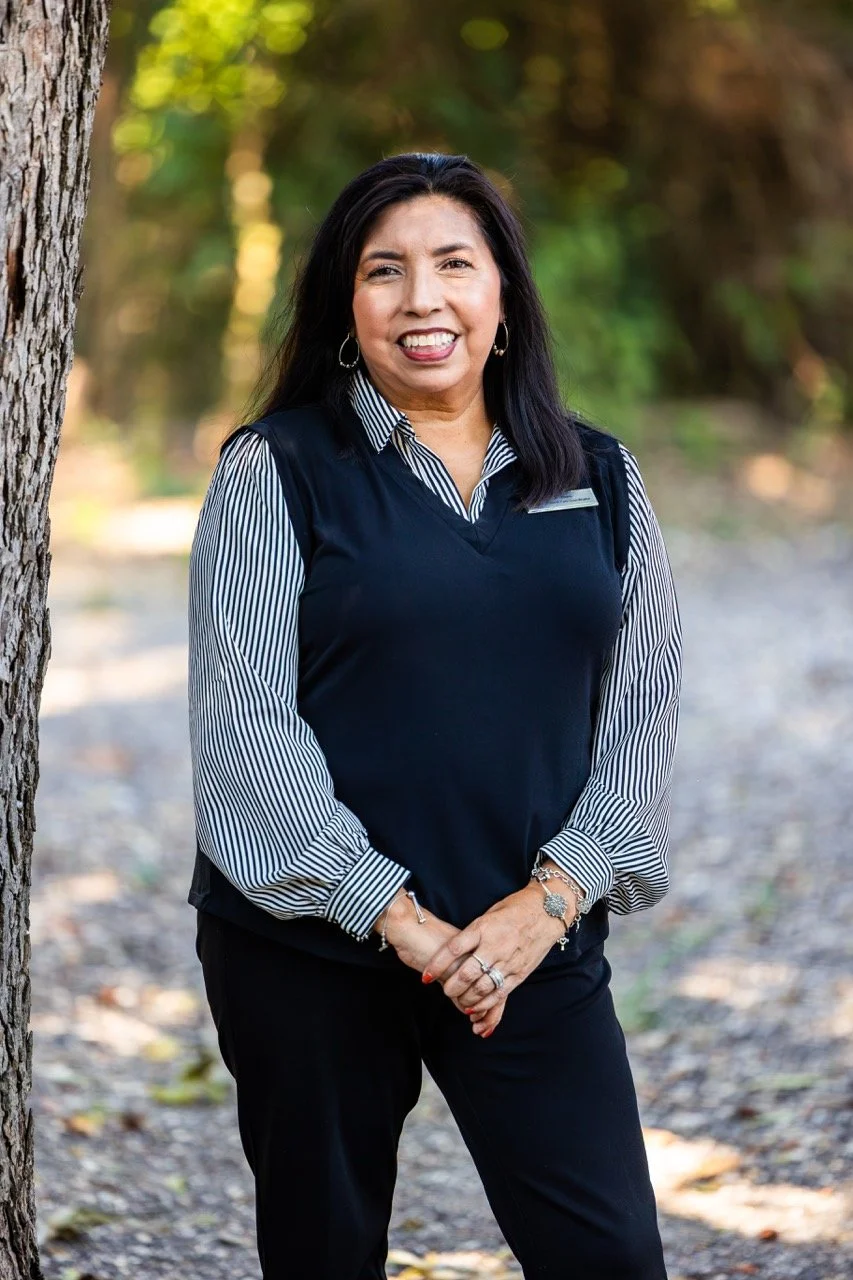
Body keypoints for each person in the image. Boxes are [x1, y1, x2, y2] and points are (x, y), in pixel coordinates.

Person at [187, 151, 682, 1280]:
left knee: (608, 1255)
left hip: (532, 938)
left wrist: (545, 904)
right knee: (323, 1255)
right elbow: (244, 723)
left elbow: (643, 713)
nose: (423, 299)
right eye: (384, 271)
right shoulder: (277, 469)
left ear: (501, 295)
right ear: (343, 305)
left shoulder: (599, 476)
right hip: (309, 952)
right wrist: (400, 919)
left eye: (454, 264)